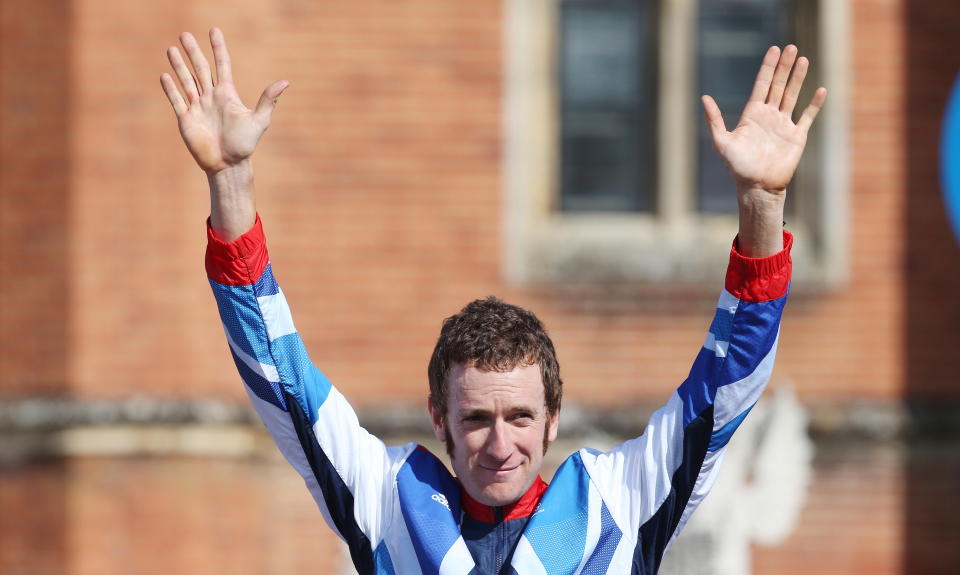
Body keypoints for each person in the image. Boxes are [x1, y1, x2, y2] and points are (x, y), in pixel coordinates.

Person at [160, 28, 825, 575]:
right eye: (476, 417)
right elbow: (283, 380)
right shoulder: (391, 502)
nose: (500, 443)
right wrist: (231, 186)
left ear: (552, 418)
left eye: (519, 415)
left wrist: (761, 205)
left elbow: (727, 385)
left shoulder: (619, 502)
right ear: (438, 418)